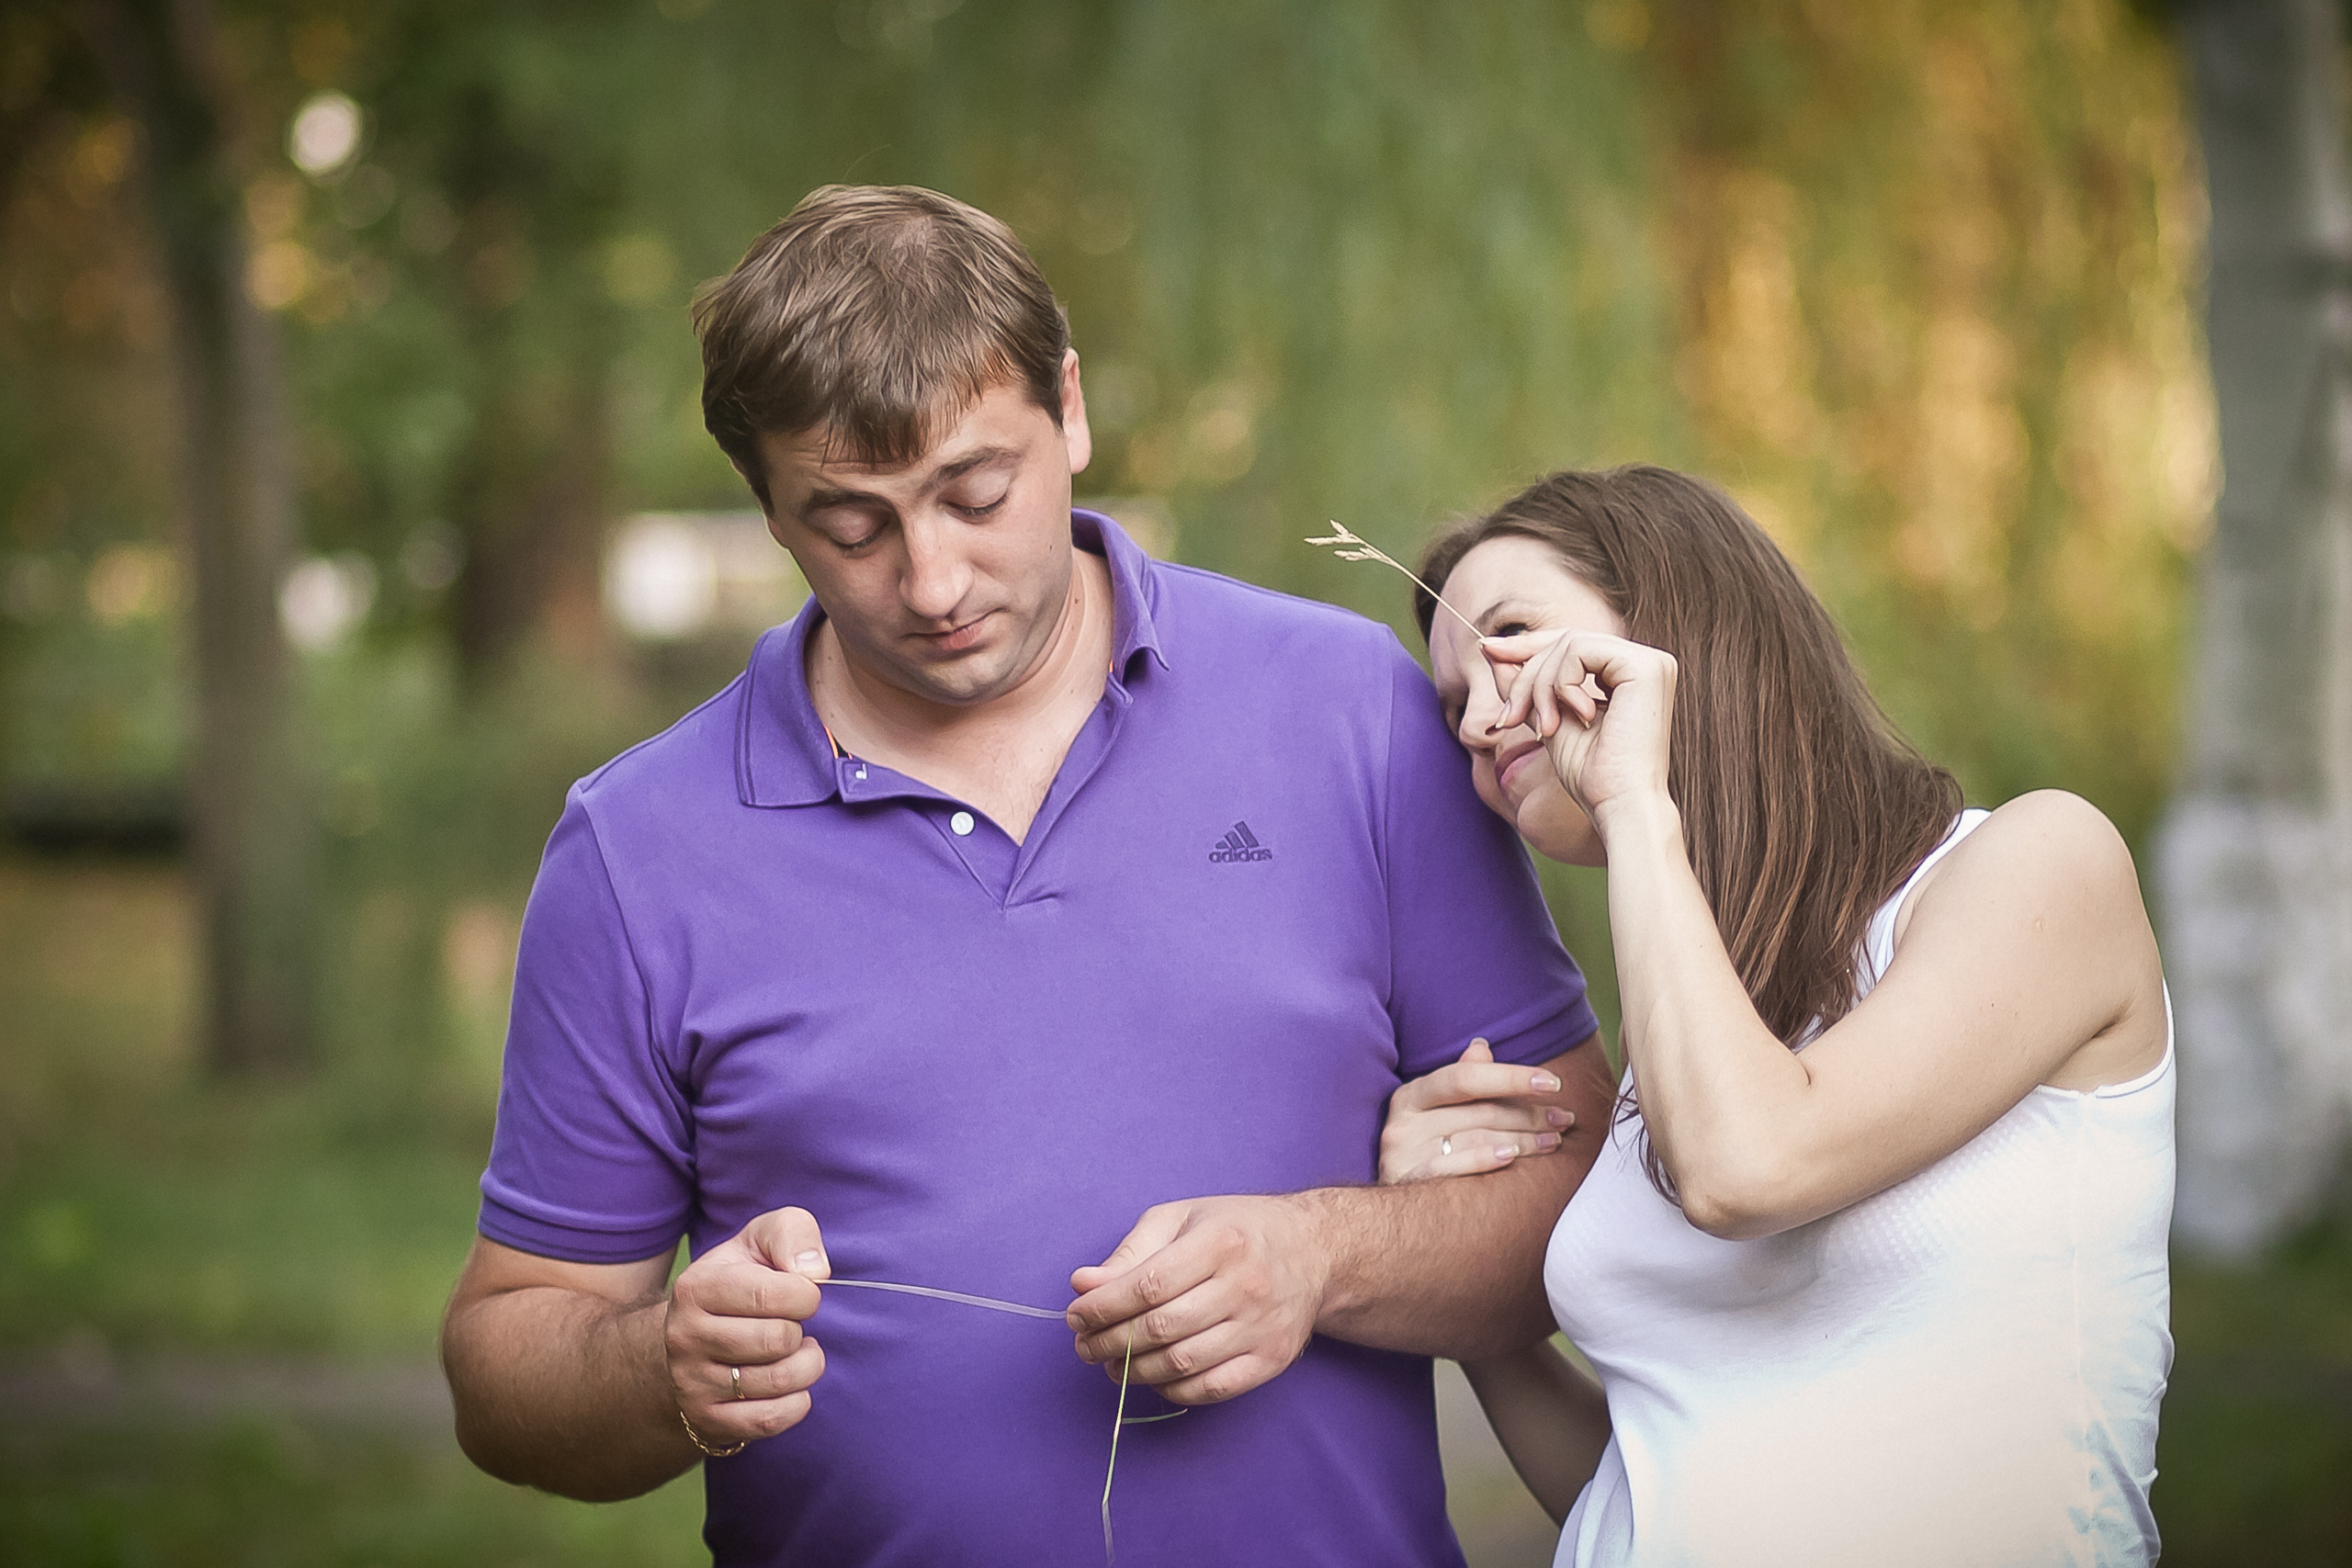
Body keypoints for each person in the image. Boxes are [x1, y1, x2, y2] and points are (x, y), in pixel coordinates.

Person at [437, 184, 1616, 1567]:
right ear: (767, 509)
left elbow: (1586, 1187)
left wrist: (1321, 1255)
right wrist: (659, 1369)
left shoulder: (1349, 710)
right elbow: (507, 1361)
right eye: (850, 524)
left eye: (975, 493)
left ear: (1070, 409)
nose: (932, 579)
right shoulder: (638, 848)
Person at [1376, 466, 2174, 1567]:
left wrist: (1636, 805)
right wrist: (1478, 1326)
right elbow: (1648, 1488)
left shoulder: (2037, 864)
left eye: (1507, 636)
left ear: (1675, 624)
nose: (1473, 721)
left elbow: (1748, 1166)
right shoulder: (1684, 1046)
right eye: (1452, 702)